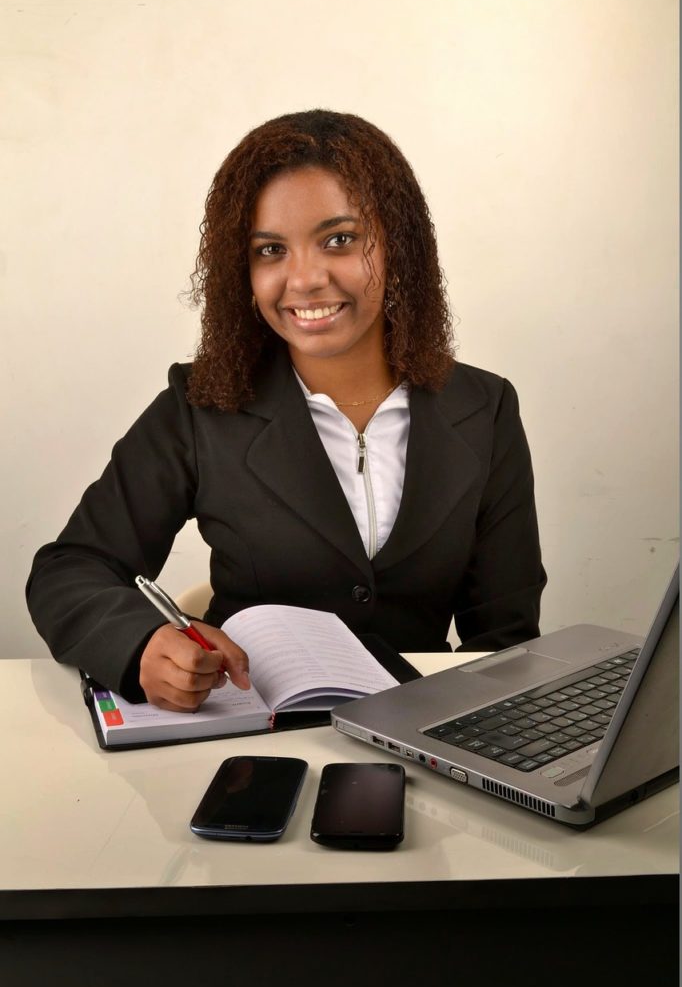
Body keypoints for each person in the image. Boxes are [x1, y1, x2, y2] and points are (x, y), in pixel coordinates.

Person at [26, 109, 546, 713]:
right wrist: (141, 641)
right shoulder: (199, 407)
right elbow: (71, 569)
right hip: (244, 738)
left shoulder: (483, 409)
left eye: (340, 240)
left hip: (420, 736)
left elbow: (505, 642)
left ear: (397, 246)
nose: (304, 279)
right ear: (242, 275)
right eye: (270, 250)